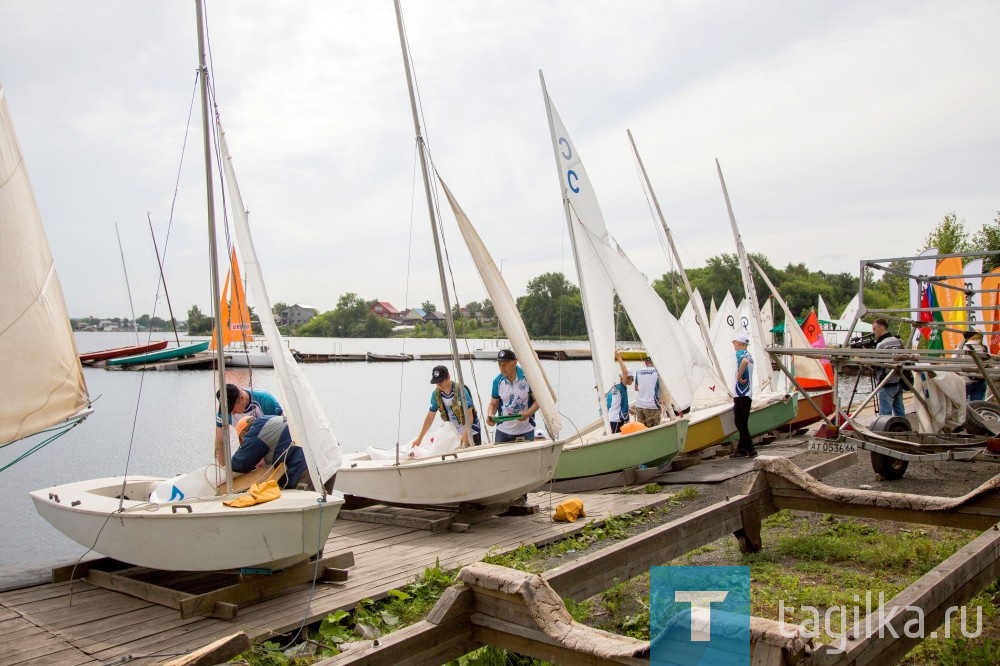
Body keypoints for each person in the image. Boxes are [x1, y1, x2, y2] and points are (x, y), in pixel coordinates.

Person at [413, 365, 482, 449]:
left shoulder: (461, 391)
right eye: (437, 383)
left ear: (448, 377)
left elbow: (469, 415)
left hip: (471, 429)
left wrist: (466, 434)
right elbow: (430, 417)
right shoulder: (436, 395)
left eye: (441, 381)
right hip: (454, 432)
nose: (439, 385)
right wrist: (420, 438)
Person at [232, 415, 307, 489]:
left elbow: (241, 463)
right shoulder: (270, 420)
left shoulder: (257, 430)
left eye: (244, 442)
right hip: (309, 459)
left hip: (301, 468)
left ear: (243, 434)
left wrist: (225, 472)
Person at [215, 383, 283, 465]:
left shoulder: (266, 400)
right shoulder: (224, 412)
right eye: (228, 410)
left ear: (242, 398)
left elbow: (284, 430)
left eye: (233, 409)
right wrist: (224, 469)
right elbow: (220, 441)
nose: (232, 413)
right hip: (251, 446)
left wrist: (266, 459)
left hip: (272, 446)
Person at [487, 349, 539, 442]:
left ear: (515, 362)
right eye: (499, 365)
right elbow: (493, 404)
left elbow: (539, 400)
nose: (502, 368)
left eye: (505, 364)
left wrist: (528, 413)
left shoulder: (528, 377)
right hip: (502, 431)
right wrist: (490, 415)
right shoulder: (497, 381)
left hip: (525, 430)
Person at [731, 333, 757, 458]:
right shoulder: (750, 355)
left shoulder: (740, 353)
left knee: (739, 422)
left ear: (740, 344)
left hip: (741, 393)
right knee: (742, 422)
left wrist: (738, 376)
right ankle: (741, 450)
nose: (734, 345)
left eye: (735, 343)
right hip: (748, 393)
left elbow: (744, 362)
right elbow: (747, 361)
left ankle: (751, 450)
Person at [872, 318, 905, 417]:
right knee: (900, 411)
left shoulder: (881, 345)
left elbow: (875, 365)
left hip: (887, 382)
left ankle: (885, 431)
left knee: (885, 414)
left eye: (874, 329)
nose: (873, 332)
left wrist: (866, 356)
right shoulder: (898, 341)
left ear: (881, 328)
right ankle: (904, 429)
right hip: (899, 380)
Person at [606, 351, 634, 433]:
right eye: (632, 378)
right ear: (626, 378)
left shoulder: (616, 388)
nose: (633, 380)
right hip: (616, 419)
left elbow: (615, 403)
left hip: (613, 417)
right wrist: (618, 357)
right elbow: (625, 372)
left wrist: (628, 410)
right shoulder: (621, 387)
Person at [959, 329, 990, 401]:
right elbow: (988, 362)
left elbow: (958, 360)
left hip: (966, 379)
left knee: (962, 405)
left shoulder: (964, 346)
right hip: (981, 379)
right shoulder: (984, 348)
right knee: (977, 406)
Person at [633, 356, 661, 428]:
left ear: (646, 363)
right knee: (654, 430)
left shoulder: (638, 371)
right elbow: (661, 387)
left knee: (642, 430)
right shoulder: (657, 371)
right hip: (652, 405)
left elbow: (636, 388)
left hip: (639, 405)